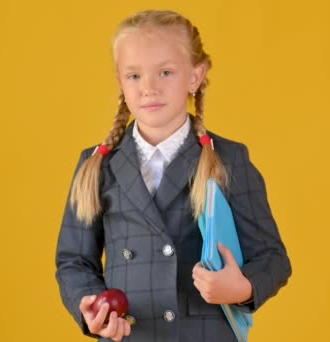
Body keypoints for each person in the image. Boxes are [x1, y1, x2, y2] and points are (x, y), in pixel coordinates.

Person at [55, 9, 291, 342]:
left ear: (195, 77)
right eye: (134, 76)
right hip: (130, 335)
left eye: (165, 72)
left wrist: (242, 287)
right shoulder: (96, 164)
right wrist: (91, 308)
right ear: (120, 81)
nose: (149, 88)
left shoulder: (228, 159)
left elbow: (272, 258)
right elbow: (74, 261)